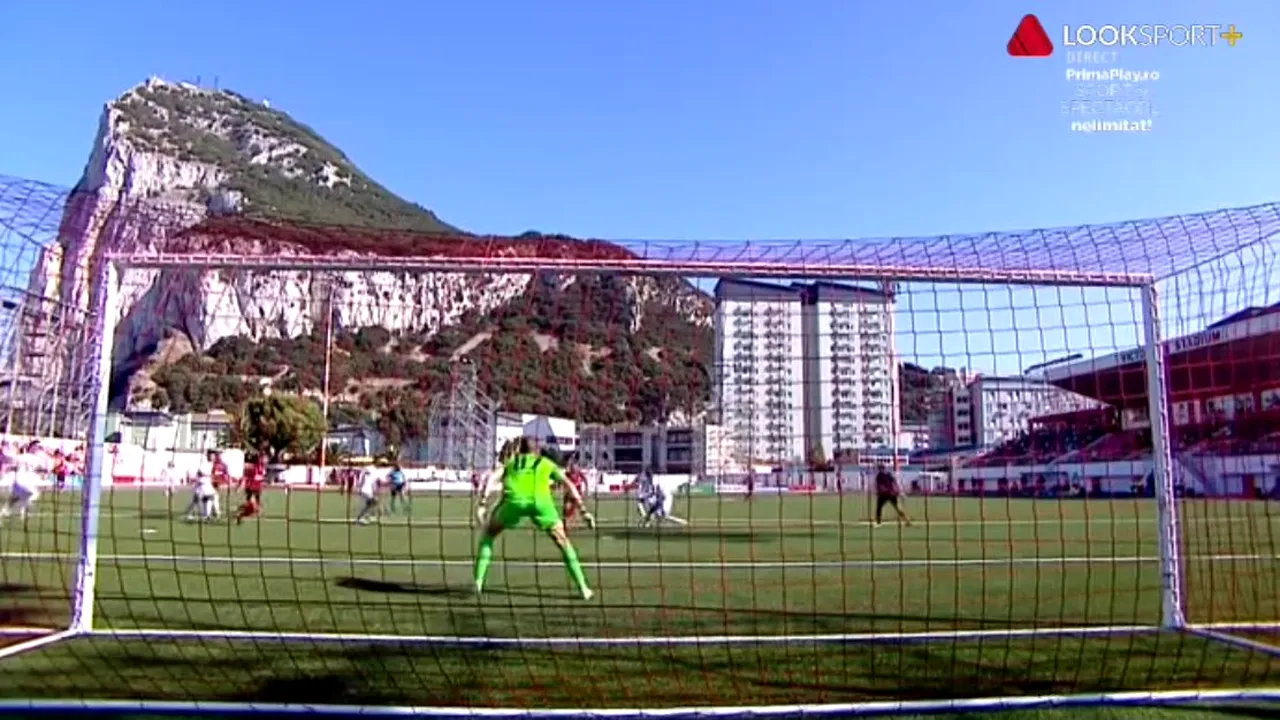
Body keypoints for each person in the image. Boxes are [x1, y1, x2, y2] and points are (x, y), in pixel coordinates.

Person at [473, 437, 595, 600]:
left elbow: (491, 479)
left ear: (520, 449)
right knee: (563, 543)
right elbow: (569, 484)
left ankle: (478, 582)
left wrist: (482, 503)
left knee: (488, 535)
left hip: (514, 502)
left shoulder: (511, 462)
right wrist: (583, 511)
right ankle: (584, 589)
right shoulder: (545, 463)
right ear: (537, 450)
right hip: (541, 503)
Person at [0, 441, 47, 528]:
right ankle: (23, 508)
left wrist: (6, 456)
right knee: (34, 494)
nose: (38, 449)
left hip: (17, 481)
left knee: (13, 500)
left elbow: (14, 460)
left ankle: (3, 514)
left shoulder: (26, 456)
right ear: (32, 448)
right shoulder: (34, 458)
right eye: (37, 447)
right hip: (22, 481)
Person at [236, 454, 267, 525]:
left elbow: (261, 478)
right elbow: (244, 478)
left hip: (258, 489)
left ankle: (241, 510)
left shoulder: (263, 468)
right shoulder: (252, 468)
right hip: (251, 488)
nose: (265, 460)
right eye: (263, 459)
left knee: (257, 509)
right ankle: (241, 513)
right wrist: (240, 486)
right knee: (253, 507)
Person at [561, 457, 589, 526]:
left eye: (575, 466)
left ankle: (586, 519)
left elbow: (585, 480)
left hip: (577, 494)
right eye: (573, 466)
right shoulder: (568, 473)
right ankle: (566, 522)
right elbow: (563, 480)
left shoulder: (579, 473)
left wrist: (586, 489)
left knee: (578, 509)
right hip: (569, 494)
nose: (574, 468)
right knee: (566, 509)